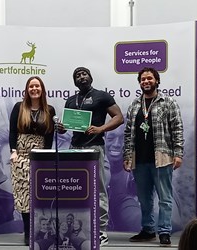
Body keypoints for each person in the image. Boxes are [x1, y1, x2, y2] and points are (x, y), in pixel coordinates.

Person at [58, 66, 123, 246]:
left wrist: (101, 128)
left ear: (90, 77)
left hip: (94, 148)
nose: (81, 76)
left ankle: (101, 231)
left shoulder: (102, 96)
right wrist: (62, 128)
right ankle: (78, 229)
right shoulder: (71, 100)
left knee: (99, 189)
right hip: (74, 148)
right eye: (77, 75)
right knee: (74, 190)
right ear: (75, 81)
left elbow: (119, 117)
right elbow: (68, 125)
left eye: (84, 73)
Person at [123, 67, 184, 246]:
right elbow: (128, 133)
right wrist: (127, 156)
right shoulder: (135, 105)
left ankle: (164, 231)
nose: (146, 82)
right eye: (143, 79)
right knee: (143, 198)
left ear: (157, 81)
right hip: (139, 159)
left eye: (149, 78)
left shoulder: (168, 102)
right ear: (140, 83)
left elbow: (177, 129)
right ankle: (148, 229)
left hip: (162, 157)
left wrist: (178, 153)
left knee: (164, 198)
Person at [9, 76, 56, 245]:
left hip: (40, 155)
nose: (34, 89)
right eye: (31, 86)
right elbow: (12, 131)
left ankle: (41, 230)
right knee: (24, 195)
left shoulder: (49, 110)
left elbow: (49, 135)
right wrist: (13, 151)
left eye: (37, 86)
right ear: (27, 90)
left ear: (42, 89)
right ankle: (28, 231)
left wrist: (48, 156)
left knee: (39, 194)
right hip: (21, 156)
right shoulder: (19, 107)